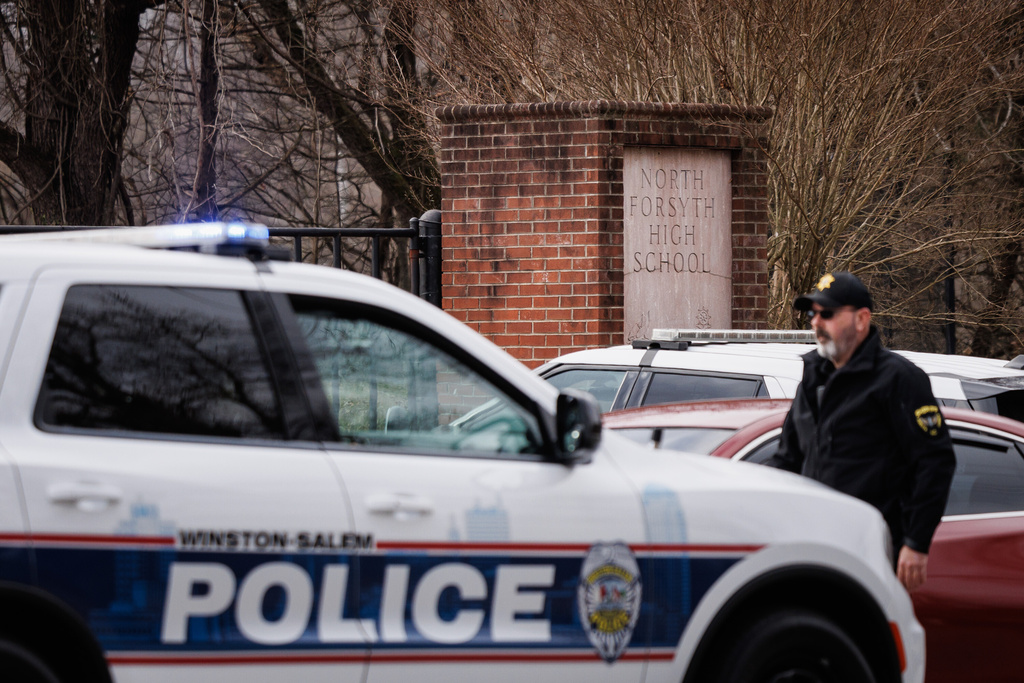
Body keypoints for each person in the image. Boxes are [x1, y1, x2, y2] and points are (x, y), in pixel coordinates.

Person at [766, 271, 955, 592]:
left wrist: (916, 542)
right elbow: (786, 461)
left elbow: (934, 462)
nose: (816, 323)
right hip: (814, 548)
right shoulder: (812, 379)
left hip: (872, 550)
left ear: (861, 319)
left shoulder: (898, 379)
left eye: (827, 313)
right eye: (812, 314)